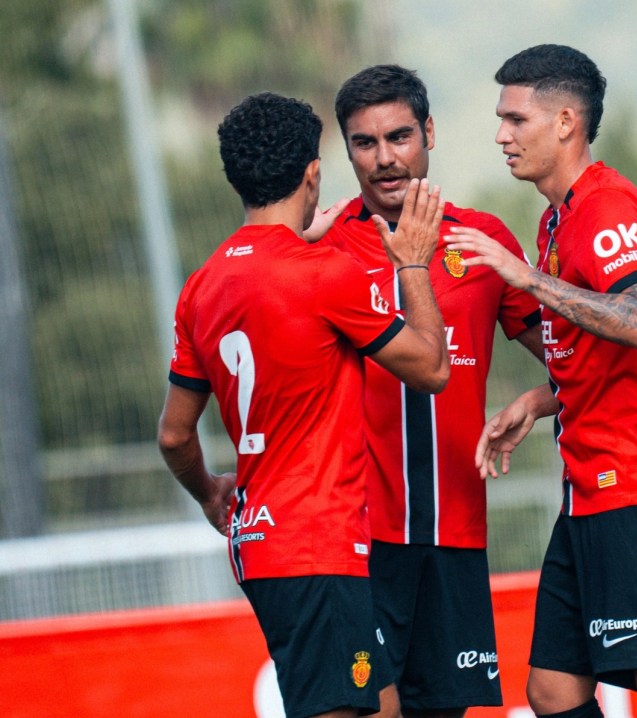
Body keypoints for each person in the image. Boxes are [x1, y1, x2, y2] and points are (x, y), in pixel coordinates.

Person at [156, 91, 449, 718]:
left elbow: (176, 437)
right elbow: (432, 368)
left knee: (383, 704)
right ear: (313, 173)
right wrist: (414, 264)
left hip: (262, 544)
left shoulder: (201, 288)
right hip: (317, 542)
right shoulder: (323, 273)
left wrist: (211, 493)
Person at [444, 44, 637, 718]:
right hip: (591, 489)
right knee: (553, 690)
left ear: (565, 122)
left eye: (515, 119)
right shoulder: (557, 217)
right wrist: (540, 401)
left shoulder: (604, 206)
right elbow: (623, 329)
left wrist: (525, 277)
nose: (502, 135)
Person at [313, 64, 545, 718]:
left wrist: (539, 400)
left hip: (455, 537)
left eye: (399, 136)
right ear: (346, 151)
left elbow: (570, 358)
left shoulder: (484, 242)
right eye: (365, 143)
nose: (385, 158)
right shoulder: (325, 248)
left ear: (430, 133)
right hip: (359, 539)